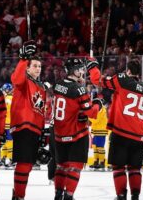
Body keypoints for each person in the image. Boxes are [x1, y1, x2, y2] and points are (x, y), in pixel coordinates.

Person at [88, 59, 143, 200]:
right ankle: (135, 196)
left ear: (129, 71)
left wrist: (93, 67)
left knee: (118, 167)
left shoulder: (123, 79)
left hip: (121, 133)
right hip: (139, 136)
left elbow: (97, 80)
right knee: (135, 169)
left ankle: (121, 196)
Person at [52, 58, 102, 200]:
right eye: (80, 69)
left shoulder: (57, 85)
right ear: (73, 71)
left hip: (59, 134)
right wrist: (98, 103)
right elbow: (91, 113)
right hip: (76, 134)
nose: (82, 71)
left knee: (61, 166)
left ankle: (58, 194)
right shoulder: (78, 89)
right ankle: (68, 196)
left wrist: (79, 112)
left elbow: (70, 106)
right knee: (75, 167)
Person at [10, 41, 47, 200]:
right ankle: (19, 196)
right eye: (35, 66)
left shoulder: (42, 87)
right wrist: (23, 59)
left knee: (29, 165)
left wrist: (42, 130)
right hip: (24, 126)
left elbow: (40, 111)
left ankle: (18, 194)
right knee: (24, 164)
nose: (38, 69)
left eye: (40, 66)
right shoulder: (23, 80)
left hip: (35, 129)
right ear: (28, 67)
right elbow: (16, 79)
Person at [0, 83, 14, 168]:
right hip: (10, 123)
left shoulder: (2, 99)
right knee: (10, 141)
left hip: (3, 123)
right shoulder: (12, 99)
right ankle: (9, 159)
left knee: (5, 141)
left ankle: (2, 158)